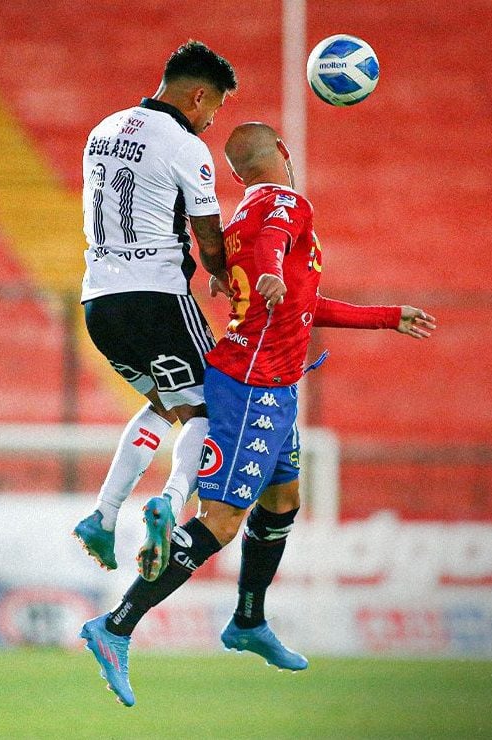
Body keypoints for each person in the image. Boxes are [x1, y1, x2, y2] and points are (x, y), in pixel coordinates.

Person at [79, 121, 437, 706]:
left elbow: (302, 301)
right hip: (251, 389)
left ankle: (248, 620)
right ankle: (116, 625)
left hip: (276, 384)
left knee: (281, 501)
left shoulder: (241, 214)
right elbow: (275, 245)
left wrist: (385, 315)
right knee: (219, 523)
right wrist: (270, 266)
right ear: (284, 155)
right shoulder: (284, 204)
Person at [72, 40, 236, 582]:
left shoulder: (104, 129)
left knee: (166, 404)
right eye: (214, 107)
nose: (212, 120)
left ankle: (103, 514)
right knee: (211, 405)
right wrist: (220, 271)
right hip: (157, 298)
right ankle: (170, 501)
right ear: (196, 96)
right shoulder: (184, 145)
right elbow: (207, 231)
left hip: (99, 304)